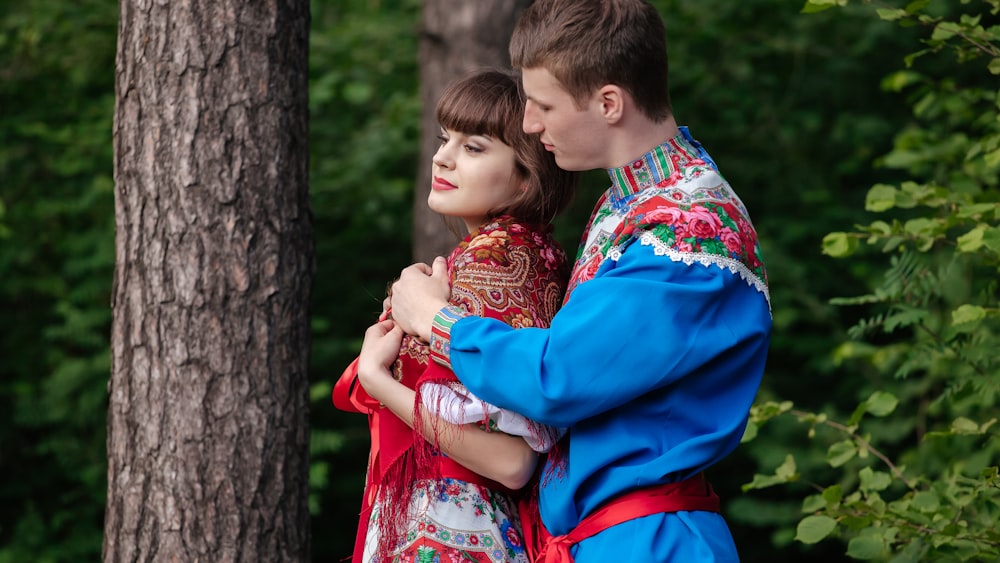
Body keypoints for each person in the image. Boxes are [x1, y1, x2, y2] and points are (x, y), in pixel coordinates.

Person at [384, 1, 772, 561]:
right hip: (604, 538)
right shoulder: (634, 202)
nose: (530, 123)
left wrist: (435, 320)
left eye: (542, 104)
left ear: (608, 103)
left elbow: (558, 375)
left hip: (650, 541)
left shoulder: (687, 231)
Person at [333, 68, 577, 563]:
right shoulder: (499, 257)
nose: (441, 157)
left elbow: (512, 462)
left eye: (474, 147)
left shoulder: (505, 263)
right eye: (446, 139)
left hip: (454, 533)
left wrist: (380, 380)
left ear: (526, 174)